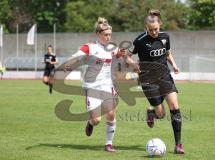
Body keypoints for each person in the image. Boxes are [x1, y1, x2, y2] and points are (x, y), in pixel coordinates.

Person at [126, 12, 185, 154]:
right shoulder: (140, 40)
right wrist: (134, 65)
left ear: (160, 26)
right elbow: (126, 56)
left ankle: (178, 145)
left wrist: (174, 65)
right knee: (161, 114)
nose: (154, 32)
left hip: (165, 76)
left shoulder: (165, 37)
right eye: (151, 29)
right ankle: (152, 112)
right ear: (146, 27)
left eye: (156, 29)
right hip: (147, 79)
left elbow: (168, 53)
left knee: (175, 107)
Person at [64, 17, 125, 152]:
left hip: (108, 85)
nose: (108, 37)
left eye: (110, 35)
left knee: (111, 113)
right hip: (91, 86)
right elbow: (76, 56)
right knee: (96, 120)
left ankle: (108, 144)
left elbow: (123, 55)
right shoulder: (89, 47)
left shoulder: (112, 48)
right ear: (98, 34)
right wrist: (69, 64)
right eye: (105, 35)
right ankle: (90, 123)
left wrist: (127, 57)